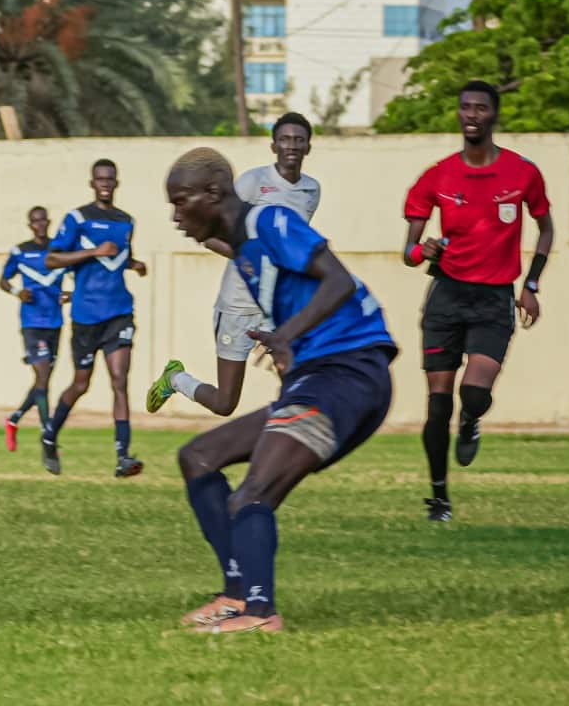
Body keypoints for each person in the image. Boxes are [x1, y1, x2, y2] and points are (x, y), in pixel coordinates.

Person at [166, 147, 397, 633]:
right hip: (321, 377)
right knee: (199, 458)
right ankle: (235, 595)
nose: (176, 216)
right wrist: (290, 349)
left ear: (213, 193)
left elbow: (337, 280)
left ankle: (260, 611)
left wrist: (287, 335)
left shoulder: (270, 220)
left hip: (348, 376)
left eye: (181, 201)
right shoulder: (246, 249)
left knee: (253, 493)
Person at [401, 80, 552, 523]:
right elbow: (408, 253)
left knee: (474, 393)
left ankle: (472, 421)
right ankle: (439, 498)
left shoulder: (523, 173)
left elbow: (546, 229)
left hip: (494, 298)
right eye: (465, 107)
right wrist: (421, 250)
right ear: (458, 114)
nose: (471, 114)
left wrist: (533, 284)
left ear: (493, 115)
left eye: (480, 108)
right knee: (437, 404)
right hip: (446, 295)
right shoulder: (437, 176)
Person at [147, 112, 322, 417]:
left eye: (298, 140)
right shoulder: (254, 182)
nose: (291, 146)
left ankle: (284, 449)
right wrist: (252, 258)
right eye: (284, 139)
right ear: (273, 145)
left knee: (295, 388)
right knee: (225, 404)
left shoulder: (311, 190)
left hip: (277, 304)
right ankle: (175, 378)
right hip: (238, 304)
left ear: (308, 147)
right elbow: (211, 233)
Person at [40, 160, 147, 477]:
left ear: (117, 183)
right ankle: (49, 434)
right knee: (81, 384)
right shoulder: (77, 218)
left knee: (119, 380)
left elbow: (117, 258)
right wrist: (91, 253)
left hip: (119, 312)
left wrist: (135, 264)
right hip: (86, 316)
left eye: (110, 179)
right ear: (92, 183)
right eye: (100, 179)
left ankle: (123, 456)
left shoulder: (126, 221)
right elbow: (51, 259)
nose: (105, 183)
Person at [0, 207, 69, 452]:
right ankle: (46, 431)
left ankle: (14, 419)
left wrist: (70, 295)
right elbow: (3, 280)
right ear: (30, 225)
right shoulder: (21, 251)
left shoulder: (59, 250)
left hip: (55, 323)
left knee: (43, 380)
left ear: (48, 222)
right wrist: (18, 292)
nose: (39, 224)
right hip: (32, 323)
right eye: (34, 221)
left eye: (43, 220)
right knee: (42, 377)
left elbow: (78, 275)